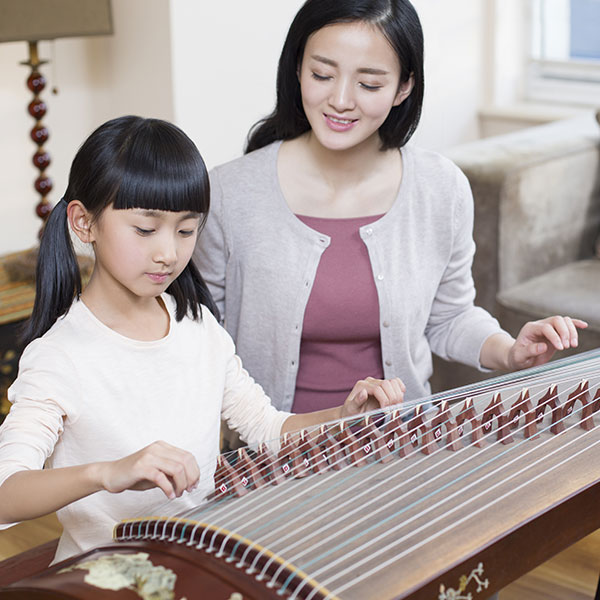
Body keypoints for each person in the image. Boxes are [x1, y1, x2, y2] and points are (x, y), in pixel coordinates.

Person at [0, 116, 404, 563]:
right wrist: (108, 473)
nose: (168, 253)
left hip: (198, 564)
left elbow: (267, 429)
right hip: (101, 579)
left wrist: (343, 416)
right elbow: (6, 495)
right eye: (145, 229)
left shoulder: (198, 328)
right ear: (84, 222)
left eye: (186, 230)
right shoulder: (60, 355)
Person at [194, 0, 587, 419]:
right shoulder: (230, 191)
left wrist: (510, 352)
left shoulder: (440, 188)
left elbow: (450, 316)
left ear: (404, 87)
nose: (341, 100)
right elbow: (200, 339)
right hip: (272, 450)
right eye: (322, 74)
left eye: (369, 84)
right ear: (297, 69)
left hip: (398, 443)